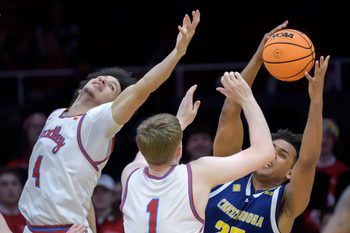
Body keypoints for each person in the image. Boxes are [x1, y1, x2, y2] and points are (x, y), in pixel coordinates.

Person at [18, 10, 200, 233]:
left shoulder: (97, 123)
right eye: (101, 78)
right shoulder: (55, 115)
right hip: (31, 227)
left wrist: (177, 53)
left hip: (62, 229)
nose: (102, 80)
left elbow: (142, 89)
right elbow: (82, 192)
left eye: (112, 87)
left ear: (113, 105)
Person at [204, 21, 330, 233]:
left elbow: (307, 160)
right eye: (271, 149)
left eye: (282, 155)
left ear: (291, 172)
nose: (271, 155)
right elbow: (230, 112)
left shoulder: (285, 205)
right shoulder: (227, 175)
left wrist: (316, 100)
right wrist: (259, 58)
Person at [120, 67, 275, 233]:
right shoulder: (198, 173)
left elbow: (148, 147)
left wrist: (180, 121)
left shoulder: (130, 174)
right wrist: (247, 99)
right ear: (179, 151)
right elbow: (265, 152)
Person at [0, 168, 26, 233]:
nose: (10, 188)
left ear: (21, 187)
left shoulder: (30, 215)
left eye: (14, 183)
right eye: (4, 184)